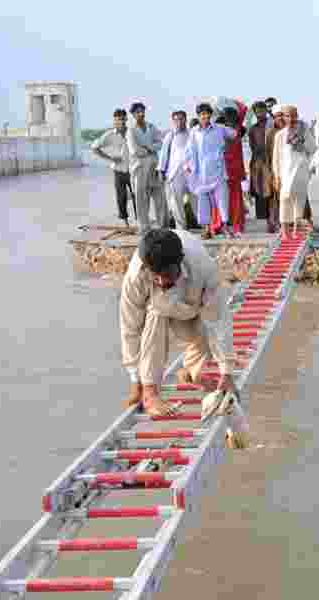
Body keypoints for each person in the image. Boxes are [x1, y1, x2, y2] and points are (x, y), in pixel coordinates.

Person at [121, 228, 233, 417]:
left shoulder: (203, 269)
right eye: (156, 275)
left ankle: (189, 372)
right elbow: (130, 327)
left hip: (192, 309)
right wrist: (136, 380)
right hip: (159, 314)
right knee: (155, 312)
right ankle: (150, 393)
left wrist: (226, 372)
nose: (161, 281)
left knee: (209, 328)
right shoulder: (136, 275)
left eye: (167, 275)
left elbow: (219, 321)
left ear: (180, 261)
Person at [185, 102, 241, 239]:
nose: (204, 116)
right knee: (203, 203)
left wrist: (226, 146)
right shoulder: (194, 132)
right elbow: (189, 151)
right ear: (198, 116)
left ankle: (226, 227)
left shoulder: (219, 128)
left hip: (219, 171)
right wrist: (188, 166)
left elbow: (236, 134)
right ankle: (206, 230)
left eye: (206, 113)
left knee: (222, 201)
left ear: (210, 115)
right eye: (201, 114)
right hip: (201, 173)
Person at [272, 105, 316, 239]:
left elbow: (313, 149)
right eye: (287, 116)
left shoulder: (304, 132)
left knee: (299, 200)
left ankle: (296, 230)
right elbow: (276, 157)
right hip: (285, 173)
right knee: (285, 199)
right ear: (283, 117)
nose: (290, 119)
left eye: (293, 116)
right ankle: (285, 230)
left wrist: (301, 143)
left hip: (301, 171)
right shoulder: (280, 135)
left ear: (297, 116)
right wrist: (277, 176)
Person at [126, 102, 167, 233]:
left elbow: (161, 143)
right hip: (139, 167)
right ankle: (144, 227)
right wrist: (149, 149)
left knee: (159, 195)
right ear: (133, 114)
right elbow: (134, 150)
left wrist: (148, 147)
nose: (141, 114)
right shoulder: (130, 130)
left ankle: (162, 225)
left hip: (154, 165)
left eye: (142, 111)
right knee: (141, 198)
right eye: (137, 112)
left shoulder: (151, 127)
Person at [91, 108, 132, 226]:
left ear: (126, 119)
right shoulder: (109, 135)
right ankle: (125, 222)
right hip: (118, 170)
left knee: (136, 195)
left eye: (123, 119)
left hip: (133, 169)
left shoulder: (132, 132)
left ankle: (140, 220)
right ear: (114, 121)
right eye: (119, 120)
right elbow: (94, 147)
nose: (122, 122)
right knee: (121, 196)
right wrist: (110, 158)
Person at [158, 110, 190, 230]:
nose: (179, 122)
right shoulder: (170, 135)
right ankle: (181, 228)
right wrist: (161, 171)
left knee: (196, 199)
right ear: (173, 121)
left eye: (181, 119)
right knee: (176, 202)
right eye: (176, 120)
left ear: (185, 120)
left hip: (190, 172)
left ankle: (205, 226)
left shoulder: (192, 133)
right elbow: (163, 154)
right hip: (174, 172)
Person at [222, 105, 248, 236]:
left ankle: (235, 224)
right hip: (225, 169)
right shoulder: (222, 130)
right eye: (228, 118)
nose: (230, 120)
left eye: (231, 117)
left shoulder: (237, 129)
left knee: (233, 199)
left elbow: (244, 108)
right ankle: (229, 224)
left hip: (233, 170)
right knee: (227, 199)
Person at [248, 101, 273, 221]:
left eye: (262, 111)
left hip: (271, 162)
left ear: (266, 111)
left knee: (271, 190)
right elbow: (252, 147)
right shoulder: (253, 129)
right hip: (258, 162)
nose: (260, 113)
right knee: (259, 190)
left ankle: (272, 218)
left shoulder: (272, 126)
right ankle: (261, 218)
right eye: (257, 111)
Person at [265, 105, 285, 233]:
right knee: (275, 198)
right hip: (275, 169)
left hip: (290, 169)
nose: (280, 118)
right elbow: (268, 154)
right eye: (277, 116)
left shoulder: (293, 130)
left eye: (282, 115)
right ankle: (274, 223)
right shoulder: (270, 133)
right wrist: (270, 172)